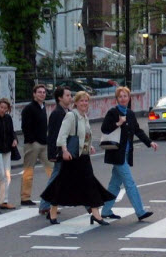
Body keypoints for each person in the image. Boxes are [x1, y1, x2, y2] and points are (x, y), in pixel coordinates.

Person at [41, 91, 115, 226]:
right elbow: (61, 136)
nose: (84, 103)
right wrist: (64, 151)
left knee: (90, 184)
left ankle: (96, 215)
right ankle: (52, 211)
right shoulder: (71, 116)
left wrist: (90, 146)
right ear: (76, 102)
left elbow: (85, 136)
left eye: (86, 101)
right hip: (71, 157)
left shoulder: (84, 117)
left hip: (83, 156)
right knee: (61, 184)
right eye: (81, 101)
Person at [99, 86, 158, 221]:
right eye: (120, 96)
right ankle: (140, 211)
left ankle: (106, 211)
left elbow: (137, 130)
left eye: (125, 96)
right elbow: (104, 129)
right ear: (117, 99)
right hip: (116, 154)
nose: (123, 98)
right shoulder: (113, 113)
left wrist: (149, 142)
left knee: (114, 184)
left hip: (126, 154)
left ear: (129, 98)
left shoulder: (130, 114)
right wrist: (118, 123)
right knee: (130, 183)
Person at [38, 86, 73, 216]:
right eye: (67, 95)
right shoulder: (58, 114)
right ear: (60, 98)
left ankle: (45, 205)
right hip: (60, 152)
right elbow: (53, 135)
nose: (70, 97)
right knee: (56, 179)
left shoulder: (66, 111)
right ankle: (45, 205)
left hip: (65, 151)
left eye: (70, 95)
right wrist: (53, 153)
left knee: (57, 179)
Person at [20, 84, 53, 206]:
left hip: (44, 143)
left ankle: (52, 196)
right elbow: (25, 126)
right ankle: (25, 197)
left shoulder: (43, 107)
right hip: (33, 144)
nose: (42, 94)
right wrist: (31, 140)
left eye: (44, 92)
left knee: (52, 169)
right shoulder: (29, 108)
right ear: (34, 94)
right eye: (39, 92)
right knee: (29, 171)